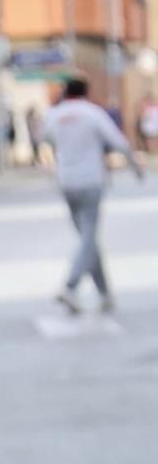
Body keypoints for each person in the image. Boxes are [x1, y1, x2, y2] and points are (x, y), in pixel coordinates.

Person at [43, 76, 144, 314]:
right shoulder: (92, 114)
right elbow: (118, 142)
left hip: (67, 182)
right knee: (88, 238)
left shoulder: (55, 115)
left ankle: (104, 293)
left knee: (87, 239)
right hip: (90, 181)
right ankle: (70, 286)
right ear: (86, 92)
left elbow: (44, 137)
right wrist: (135, 167)